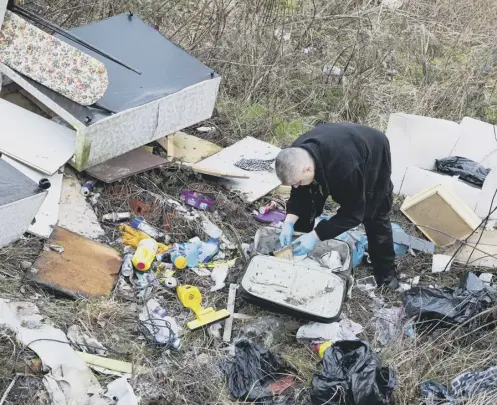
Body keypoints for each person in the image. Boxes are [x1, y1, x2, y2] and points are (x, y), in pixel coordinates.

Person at [275, 122, 398, 289]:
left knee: (374, 212)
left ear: (308, 169)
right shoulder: (296, 154)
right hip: (338, 143)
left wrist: (316, 236)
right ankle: (299, 253)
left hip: (372, 151)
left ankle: (386, 275)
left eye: (297, 182)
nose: (295, 186)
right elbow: (299, 193)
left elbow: (354, 214)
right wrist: (289, 221)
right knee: (308, 194)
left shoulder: (345, 169)